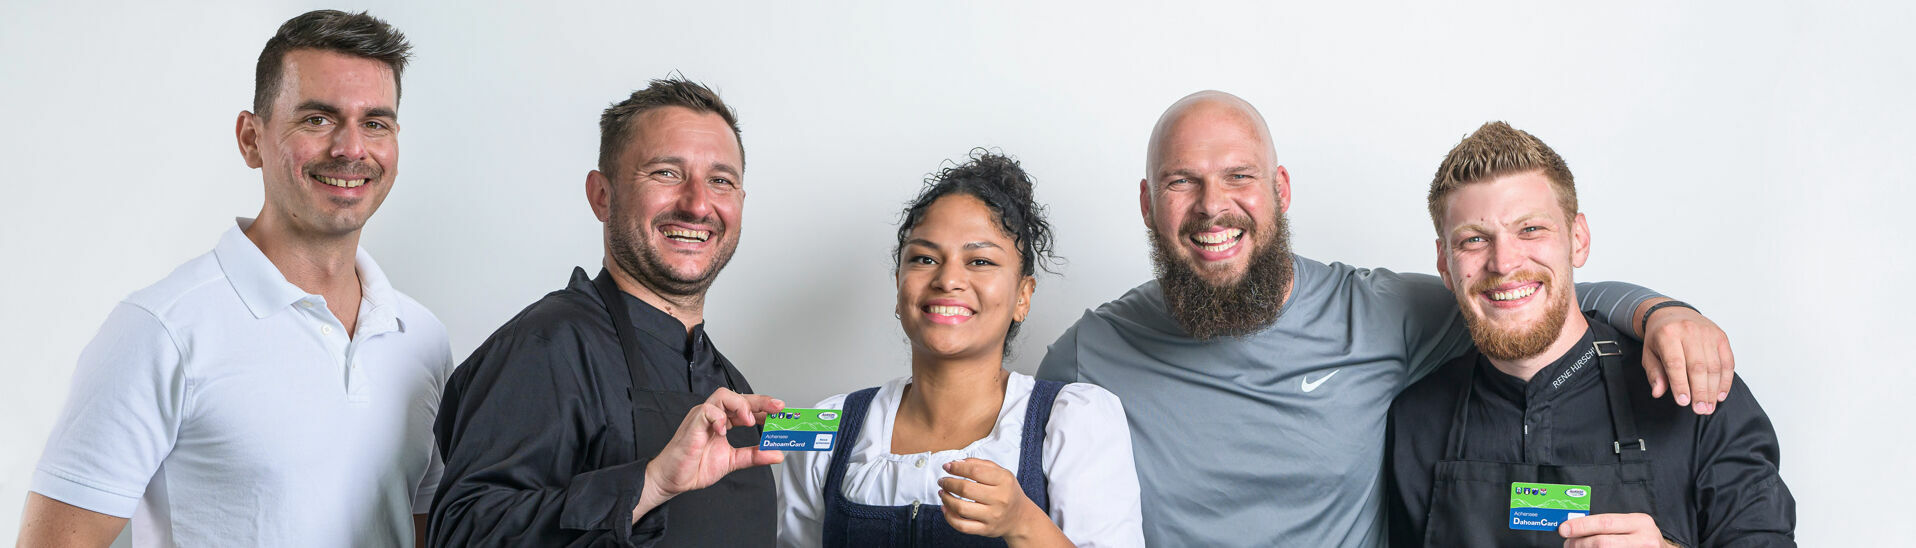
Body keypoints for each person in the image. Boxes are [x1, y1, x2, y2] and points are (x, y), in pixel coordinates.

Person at [1036, 91, 1742, 547]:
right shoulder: (1092, 352)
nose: (1211, 205)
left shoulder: (1380, 315)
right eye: (1180, 181)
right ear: (1146, 202)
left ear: (1280, 190)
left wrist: (1658, 311)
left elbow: (1520, 295)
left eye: (1239, 177)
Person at [18, 10, 449, 546]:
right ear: (251, 138)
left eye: (375, 123)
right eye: (317, 119)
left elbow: (422, 531)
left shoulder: (422, 338)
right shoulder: (162, 331)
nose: (351, 148)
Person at [1384, 121, 1794, 547]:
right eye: (1473, 240)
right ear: (1444, 264)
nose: (1503, 263)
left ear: (1578, 240)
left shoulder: (1693, 391)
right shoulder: (1416, 422)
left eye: (1530, 229)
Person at [429, 78, 782, 547]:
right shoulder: (548, 346)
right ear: (602, 195)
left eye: (720, 181)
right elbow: (464, 532)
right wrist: (650, 483)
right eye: (666, 173)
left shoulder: (731, 382)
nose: (698, 204)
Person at [779, 151, 1144, 547]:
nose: (948, 279)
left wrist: (1023, 522)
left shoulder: (1082, 419)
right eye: (924, 258)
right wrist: (729, 434)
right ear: (899, 284)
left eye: (980, 261)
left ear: (1024, 296)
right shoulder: (817, 421)